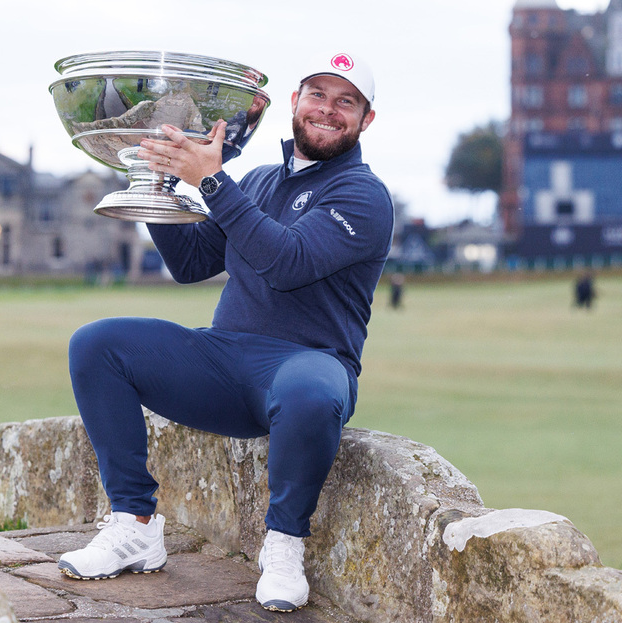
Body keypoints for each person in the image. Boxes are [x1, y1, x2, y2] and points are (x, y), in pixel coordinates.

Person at [60, 52, 394, 613]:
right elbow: (191, 264)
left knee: (309, 391)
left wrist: (212, 180)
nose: (329, 110)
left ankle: (284, 544)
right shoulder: (261, 180)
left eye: (347, 101)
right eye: (318, 94)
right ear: (295, 103)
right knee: (97, 344)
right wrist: (160, 182)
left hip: (306, 367)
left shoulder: (364, 195)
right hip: (223, 363)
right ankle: (134, 524)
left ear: (365, 119)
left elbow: (286, 261)